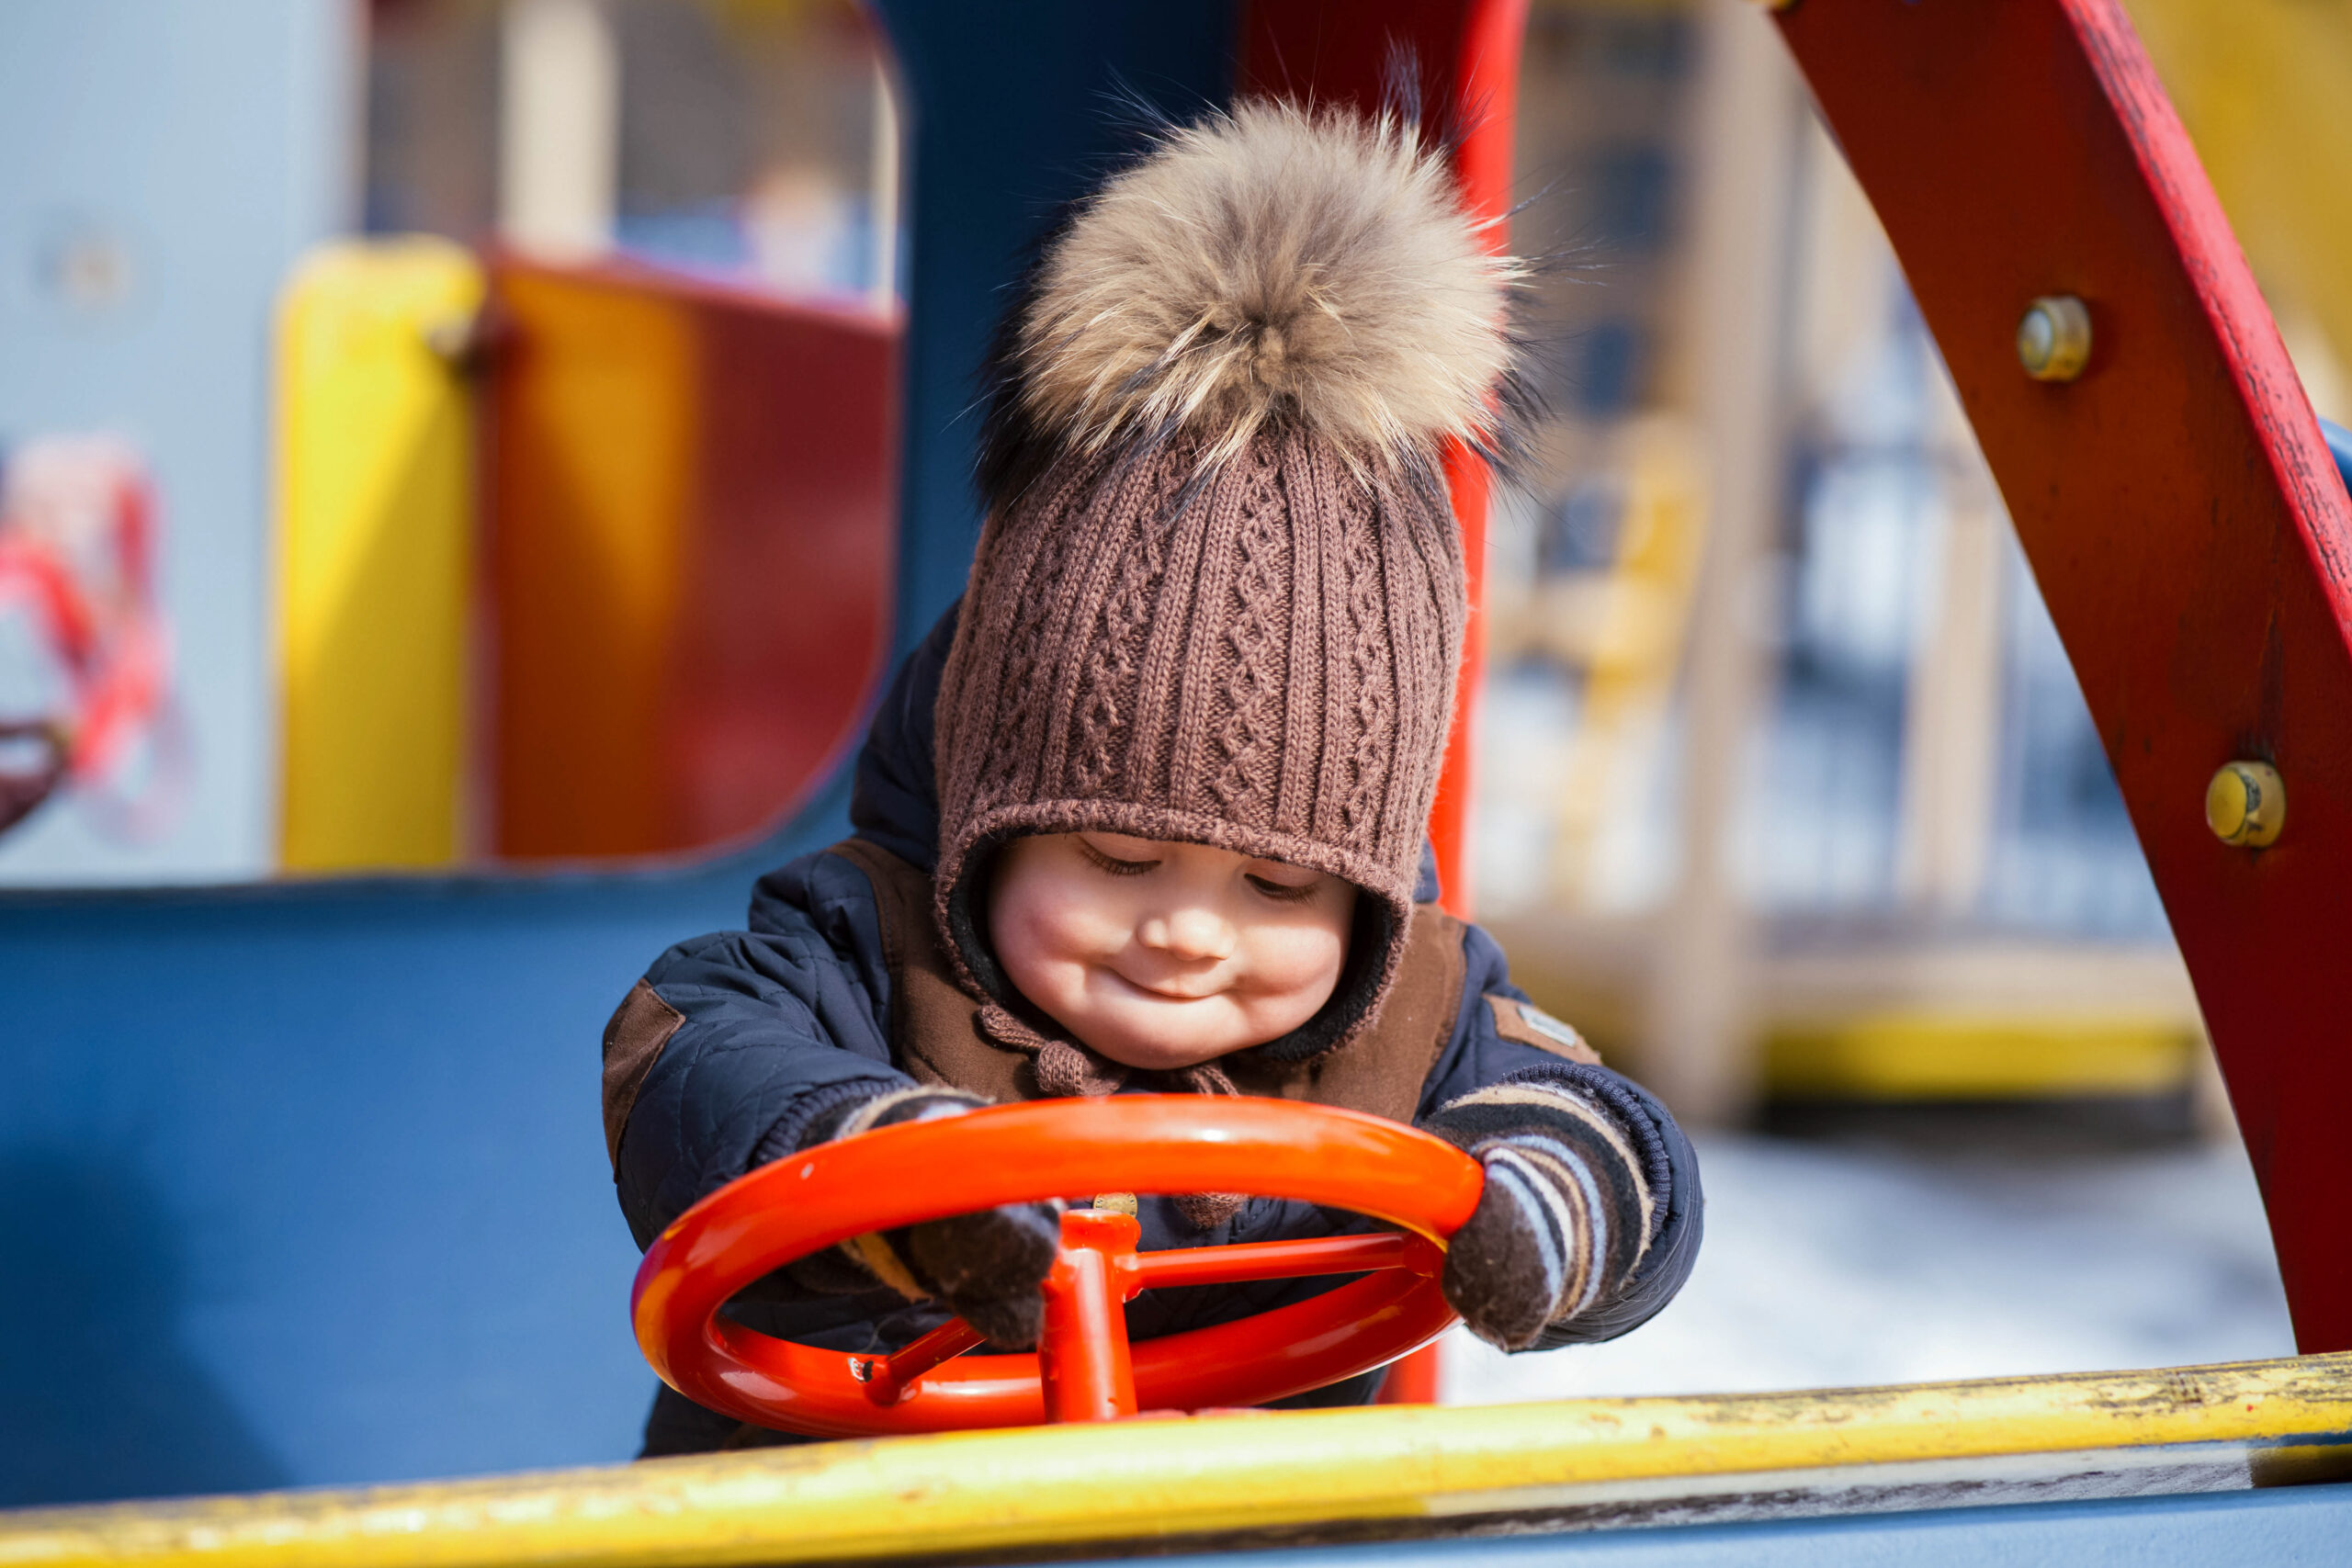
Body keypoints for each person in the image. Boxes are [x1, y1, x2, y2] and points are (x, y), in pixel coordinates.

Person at [601, 99, 1702, 1456]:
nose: (1189, 930)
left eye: (1279, 882)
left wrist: (1544, 1199)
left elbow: (1618, 1134)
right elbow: (690, 1065)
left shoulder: (1413, 1015)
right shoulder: (861, 958)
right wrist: (901, 1173)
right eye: (1118, 861)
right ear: (989, 820)